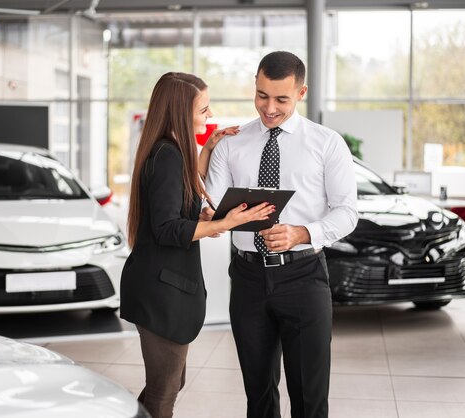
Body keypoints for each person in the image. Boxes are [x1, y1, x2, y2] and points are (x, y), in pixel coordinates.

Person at [204, 51, 359, 418]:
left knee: (309, 395)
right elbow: (210, 204)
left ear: (301, 93)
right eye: (261, 95)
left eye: (281, 99)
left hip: (303, 276)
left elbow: (348, 212)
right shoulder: (231, 142)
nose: (268, 107)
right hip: (247, 277)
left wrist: (304, 232)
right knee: (258, 394)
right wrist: (211, 215)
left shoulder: (326, 143)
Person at [120, 72, 275, 418]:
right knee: (164, 392)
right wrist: (226, 222)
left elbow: (178, 203)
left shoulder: (168, 151)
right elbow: (167, 229)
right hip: (160, 292)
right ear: (180, 111)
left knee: (169, 385)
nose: (208, 115)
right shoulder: (167, 155)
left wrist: (206, 150)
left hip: (159, 287)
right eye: (203, 109)